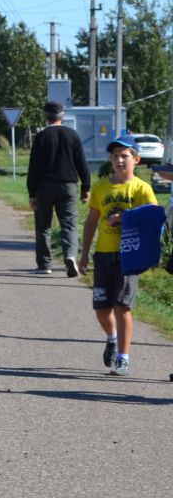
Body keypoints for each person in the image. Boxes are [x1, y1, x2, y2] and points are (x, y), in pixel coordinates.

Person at [79, 132, 156, 377]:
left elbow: (154, 219)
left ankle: (123, 358)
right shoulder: (101, 186)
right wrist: (84, 254)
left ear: (136, 159)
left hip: (129, 255)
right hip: (103, 254)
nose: (119, 160)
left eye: (124, 156)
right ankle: (112, 338)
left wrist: (124, 217)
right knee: (101, 309)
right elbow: (91, 222)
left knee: (121, 306)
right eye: (115, 156)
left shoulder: (142, 188)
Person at [26, 100, 91, 277]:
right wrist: (86, 188)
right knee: (69, 224)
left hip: (44, 187)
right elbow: (82, 163)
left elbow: (34, 167)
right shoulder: (73, 135)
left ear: (46, 116)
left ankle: (44, 264)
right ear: (62, 116)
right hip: (68, 187)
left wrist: (32, 193)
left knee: (43, 227)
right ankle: (70, 255)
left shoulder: (41, 137)